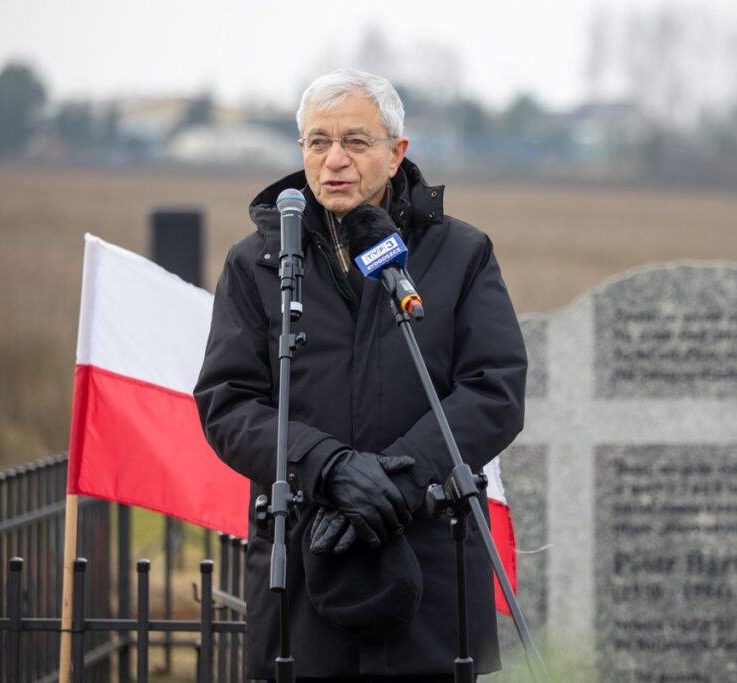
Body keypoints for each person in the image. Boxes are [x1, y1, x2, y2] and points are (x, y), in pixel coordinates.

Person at [194, 69, 527, 682]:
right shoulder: (258, 264)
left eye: (356, 141)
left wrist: (398, 477)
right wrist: (332, 468)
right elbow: (227, 402)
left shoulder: (460, 253)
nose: (334, 160)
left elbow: (495, 390)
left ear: (397, 152)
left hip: (430, 565)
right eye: (318, 142)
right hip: (304, 564)